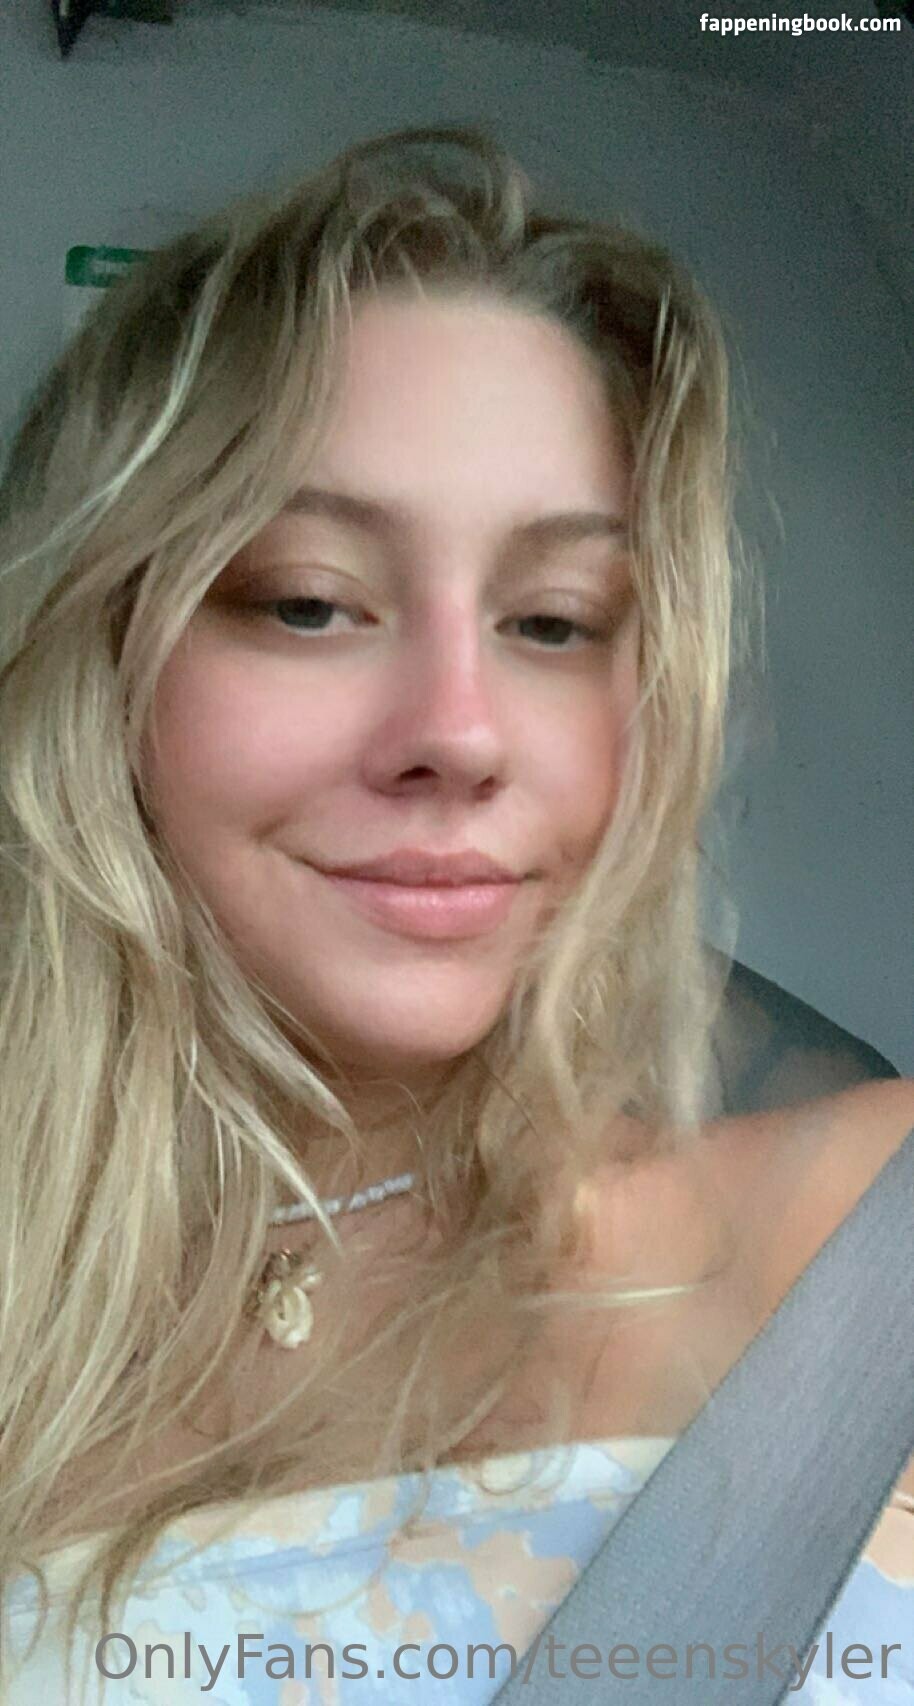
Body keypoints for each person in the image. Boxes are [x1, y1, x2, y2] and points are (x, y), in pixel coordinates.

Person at [0, 124, 910, 1704]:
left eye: (555, 621)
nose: (461, 731)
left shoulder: (865, 1241)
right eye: (309, 599)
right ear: (106, 664)